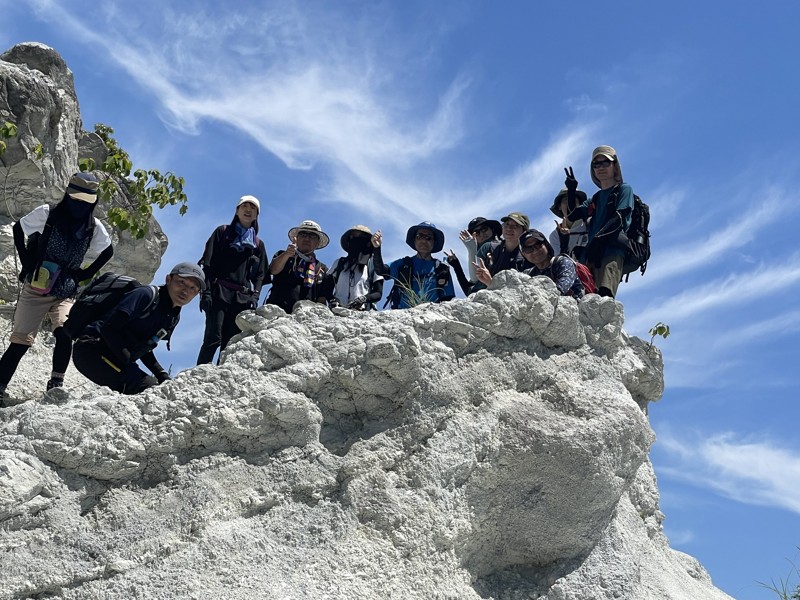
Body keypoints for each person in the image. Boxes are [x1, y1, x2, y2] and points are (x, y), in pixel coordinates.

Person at [0, 172, 113, 401]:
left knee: (65, 332)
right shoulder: (47, 213)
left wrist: (85, 274)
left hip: (65, 290)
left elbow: (108, 251)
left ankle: (56, 384)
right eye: (77, 199)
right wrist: (27, 262)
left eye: (85, 201)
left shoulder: (94, 227)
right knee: (20, 341)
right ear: (68, 195)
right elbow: (18, 229)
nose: (80, 205)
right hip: (37, 286)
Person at [71, 262, 205, 395]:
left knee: (157, 390)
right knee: (149, 391)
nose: (185, 291)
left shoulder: (172, 316)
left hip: (115, 358)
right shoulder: (146, 295)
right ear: (168, 279)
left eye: (193, 288)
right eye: (181, 282)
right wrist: (129, 363)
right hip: (91, 351)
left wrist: (162, 375)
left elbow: (144, 347)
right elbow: (109, 328)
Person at [196, 195, 268, 365]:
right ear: (237, 210)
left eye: (253, 208)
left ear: (257, 215)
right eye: (244, 206)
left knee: (230, 342)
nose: (248, 210)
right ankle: (199, 374)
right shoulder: (222, 232)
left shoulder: (258, 244)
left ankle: (221, 376)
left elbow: (261, 275)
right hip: (218, 292)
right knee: (213, 336)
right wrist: (205, 292)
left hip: (242, 298)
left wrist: (254, 297)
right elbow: (208, 263)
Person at [564, 145, 634, 298]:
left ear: (615, 166)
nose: (601, 167)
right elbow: (571, 217)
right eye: (596, 164)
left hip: (611, 252)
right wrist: (571, 191)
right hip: (590, 256)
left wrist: (597, 241)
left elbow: (619, 219)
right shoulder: (595, 198)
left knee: (604, 297)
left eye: (605, 162)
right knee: (582, 298)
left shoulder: (624, 189)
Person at [475, 229, 584, 299]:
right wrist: (490, 282)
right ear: (523, 254)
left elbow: (562, 286)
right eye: (528, 249)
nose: (535, 251)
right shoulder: (528, 274)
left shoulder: (562, 262)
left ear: (546, 245)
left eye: (538, 245)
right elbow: (511, 294)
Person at [374, 221, 455, 309]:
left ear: (434, 242)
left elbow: (448, 299)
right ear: (414, 240)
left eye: (428, 237)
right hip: (404, 315)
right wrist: (376, 248)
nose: (423, 240)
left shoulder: (441, 268)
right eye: (419, 236)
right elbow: (381, 271)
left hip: (432, 316)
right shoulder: (403, 264)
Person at [265, 220, 330, 313]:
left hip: (305, 319)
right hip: (276, 313)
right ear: (296, 238)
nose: (307, 238)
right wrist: (287, 254)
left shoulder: (322, 269)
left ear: (317, 242)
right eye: (303, 234)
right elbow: (273, 270)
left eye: (312, 236)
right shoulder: (283, 255)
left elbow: (322, 300)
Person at [325, 225, 384, 311]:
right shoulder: (339, 263)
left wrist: (363, 299)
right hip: (338, 313)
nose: (356, 240)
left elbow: (378, 293)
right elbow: (327, 289)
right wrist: (332, 301)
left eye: (361, 237)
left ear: (367, 242)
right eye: (353, 237)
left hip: (363, 314)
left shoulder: (373, 264)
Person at [472, 212, 531, 292]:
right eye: (506, 224)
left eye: (515, 226)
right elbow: (474, 277)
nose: (509, 228)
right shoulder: (488, 248)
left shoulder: (529, 254)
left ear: (524, 231)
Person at [548, 187, 588, 259]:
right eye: (566, 200)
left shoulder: (590, 223)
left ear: (580, 204)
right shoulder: (556, 235)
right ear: (559, 206)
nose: (570, 204)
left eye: (574, 200)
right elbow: (559, 262)